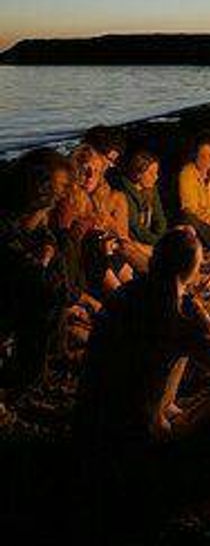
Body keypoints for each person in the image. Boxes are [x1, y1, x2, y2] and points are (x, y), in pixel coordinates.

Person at [74, 225, 210, 461]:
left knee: (173, 357)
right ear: (192, 269)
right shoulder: (184, 311)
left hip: (91, 430)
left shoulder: (124, 295)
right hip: (138, 441)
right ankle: (171, 436)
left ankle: (164, 412)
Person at [0, 151, 71, 393]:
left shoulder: (39, 207)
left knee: (51, 282)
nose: (63, 192)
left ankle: (46, 362)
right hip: (11, 280)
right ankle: (25, 379)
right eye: (60, 186)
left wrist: (49, 247)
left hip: (26, 270)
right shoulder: (9, 211)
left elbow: (44, 234)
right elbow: (13, 254)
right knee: (41, 292)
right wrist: (40, 260)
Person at [54, 145, 133, 298]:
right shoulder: (68, 201)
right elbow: (66, 244)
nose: (90, 176)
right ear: (74, 172)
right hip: (81, 267)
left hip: (106, 260)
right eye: (85, 171)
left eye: (96, 171)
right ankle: (122, 296)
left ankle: (132, 291)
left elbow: (120, 233)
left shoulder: (101, 198)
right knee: (95, 240)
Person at [116, 149, 167, 272]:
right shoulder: (125, 194)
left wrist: (161, 237)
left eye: (156, 172)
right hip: (136, 242)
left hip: (152, 240)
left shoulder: (151, 189)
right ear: (138, 174)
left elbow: (159, 219)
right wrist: (159, 242)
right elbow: (135, 229)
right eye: (151, 173)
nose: (156, 177)